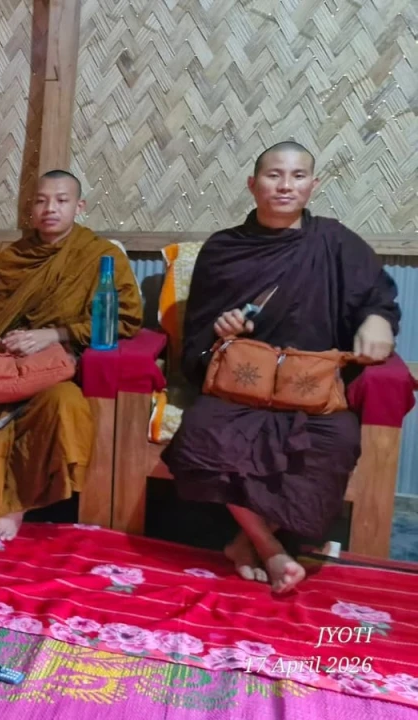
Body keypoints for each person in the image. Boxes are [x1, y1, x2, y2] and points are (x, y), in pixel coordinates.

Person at [162, 141, 399, 594]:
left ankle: (246, 542)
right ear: (252, 184)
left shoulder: (336, 243)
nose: (285, 185)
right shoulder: (225, 248)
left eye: (297, 175)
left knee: (335, 440)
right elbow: (199, 335)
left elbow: (377, 300)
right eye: (273, 175)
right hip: (240, 387)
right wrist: (222, 327)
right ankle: (268, 546)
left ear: (314, 184)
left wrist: (376, 321)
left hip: (311, 388)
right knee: (198, 436)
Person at [0, 170, 141, 540]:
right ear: (30, 208)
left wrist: (54, 334)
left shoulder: (100, 257)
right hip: (3, 366)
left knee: (63, 405)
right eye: (41, 200)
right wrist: (8, 343)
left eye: (62, 200)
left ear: (78, 207)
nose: (50, 208)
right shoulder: (14, 258)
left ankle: (14, 509)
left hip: (56, 370)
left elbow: (126, 320)